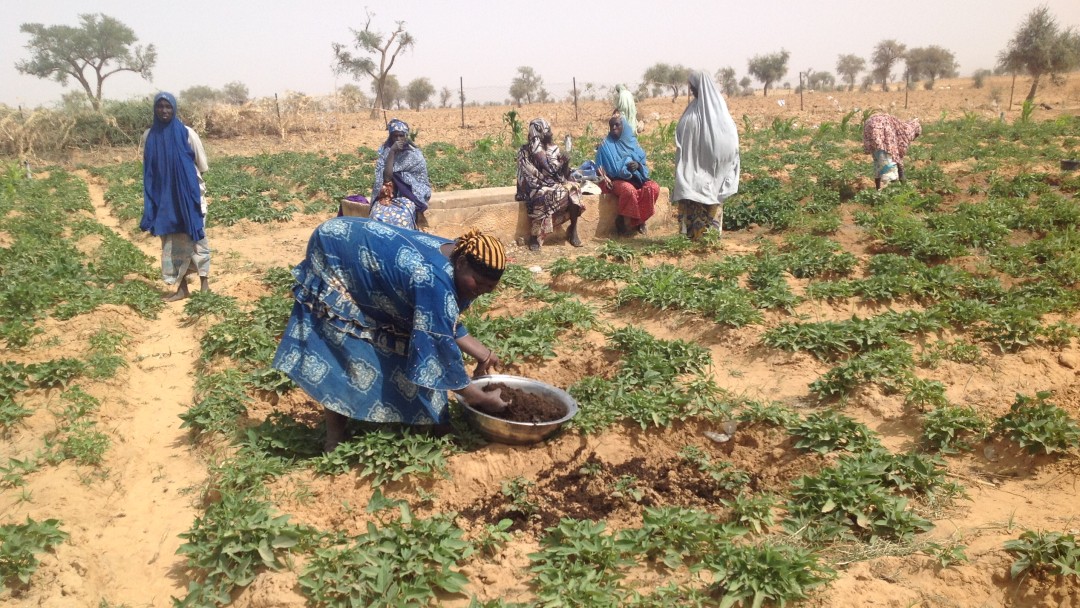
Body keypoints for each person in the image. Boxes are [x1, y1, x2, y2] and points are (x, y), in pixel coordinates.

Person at [271, 218, 509, 452]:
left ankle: (436, 424)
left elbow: (442, 321)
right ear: (462, 263)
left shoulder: (457, 259)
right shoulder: (431, 279)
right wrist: (478, 398)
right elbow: (438, 350)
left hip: (365, 256)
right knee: (343, 346)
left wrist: (482, 353)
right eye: (478, 283)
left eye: (490, 288)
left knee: (415, 341)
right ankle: (334, 439)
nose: (482, 291)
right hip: (336, 253)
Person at [140, 92, 210, 301]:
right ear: (155, 109)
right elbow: (149, 171)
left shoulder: (187, 134)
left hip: (188, 198)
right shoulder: (149, 136)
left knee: (197, 237)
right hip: (164, 201)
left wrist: (182, 183)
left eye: (168, 106)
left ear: (174, 108)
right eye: (160, 106)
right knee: (170, 243)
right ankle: (181, 289)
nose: (164, 110)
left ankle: (204, 285)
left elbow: (202, 164)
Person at [672, 71, 741, 240]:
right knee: (691, 196)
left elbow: (729, 139)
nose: (691, 89)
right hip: (691, 167)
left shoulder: (717, 109)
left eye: (693, 86)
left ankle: (708, 239)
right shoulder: (693, 108)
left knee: (709, 199)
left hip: (713, 168)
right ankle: (692, 237)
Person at [515, 118, 585, 251]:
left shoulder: (553, 150)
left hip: (552, 185)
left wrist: (565, 163)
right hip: (532, 189)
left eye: (550, 131)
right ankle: (535, 236)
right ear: (538, 133)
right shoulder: (524, 152)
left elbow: (562, 175)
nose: (551, 134)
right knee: (543, 193)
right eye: (547, 131)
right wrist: (553, 183)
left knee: (574, 190)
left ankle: (573, 230)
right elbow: (530, 178)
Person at [595, 114, 659, 236]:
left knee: (653, 187)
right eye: (611, 125)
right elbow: (599, 169)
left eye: (617, 125)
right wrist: (606, 177)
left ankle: (641, 220)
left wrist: (638, 166)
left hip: (637, 178)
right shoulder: (605, 146)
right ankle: (621, 219)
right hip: (616, 180)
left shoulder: (633, 143)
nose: (614, 128)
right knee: (628, 190)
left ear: (624, 126)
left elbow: (644, 166)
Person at [370, 119, 432, 230]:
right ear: (391, 137)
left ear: (406, 136)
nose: (398, 139)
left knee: (402, 219)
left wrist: (402, 178)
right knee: (376, 216)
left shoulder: (414, 155)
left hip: (408, 196)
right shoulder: (385, 153)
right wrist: (392, 153)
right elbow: (386, 178)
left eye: (401, 136)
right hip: (387, 196)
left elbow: (421, 183)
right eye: (395, 136)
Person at [862, 113, 921, 190]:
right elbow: (898, 155)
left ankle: (878, 188)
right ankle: (889, 191)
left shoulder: (900, 126)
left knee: (878, 161)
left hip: (870, 125)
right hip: (881, 126)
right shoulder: (907, 132)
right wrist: (902, 176)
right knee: (889, 167)